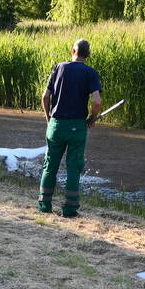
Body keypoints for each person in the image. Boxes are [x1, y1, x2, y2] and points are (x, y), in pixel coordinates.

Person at [38, 39, 102, 218]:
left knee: (50, 165)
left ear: (73, 51)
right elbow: (97, 102)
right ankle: (70, 209)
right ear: (88, 55)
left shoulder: (58, 68)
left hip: (56, 124)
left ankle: (44, 205)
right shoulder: (91, 73)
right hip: (77, 126)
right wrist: (92, 119)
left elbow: (45, 97)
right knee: (74, 167)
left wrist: (49, 119)